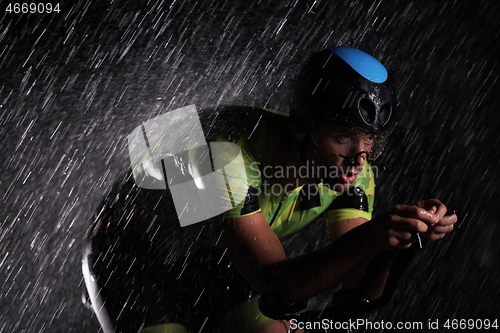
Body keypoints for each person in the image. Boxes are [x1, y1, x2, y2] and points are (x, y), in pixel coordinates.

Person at [83, 47, 457, 333]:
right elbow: (278, 286)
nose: (359, 159)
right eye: (343, 136)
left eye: (371, 143)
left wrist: (397, 243)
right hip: (133, 257)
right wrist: (372, 237)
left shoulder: (353, 173)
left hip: (215, 257)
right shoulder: (221, 154)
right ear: (303, 127)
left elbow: (356, 294)